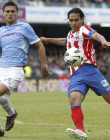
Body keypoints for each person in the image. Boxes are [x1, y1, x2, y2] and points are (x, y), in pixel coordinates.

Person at [0, 1, 50, 138]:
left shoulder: (25, 27)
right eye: (7, 11)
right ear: (3, 14)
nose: (10, 14)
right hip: (1, 70)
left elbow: (40, 46)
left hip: (15, 70)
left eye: (13, 11)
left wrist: (43, 66)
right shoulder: (1, 31)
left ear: (17, 13)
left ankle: (11, 113)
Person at [41, 8, 110, 140]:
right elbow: (65, 41)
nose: (74, 23)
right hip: (76, 73)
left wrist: (103, 41)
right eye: (71, 20)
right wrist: (48, 40)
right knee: (73, 99)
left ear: (82, 19)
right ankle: (80, 130)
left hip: (90, 70)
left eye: (76, 20)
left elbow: (96, 35)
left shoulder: (85, 30)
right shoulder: (71, 34)